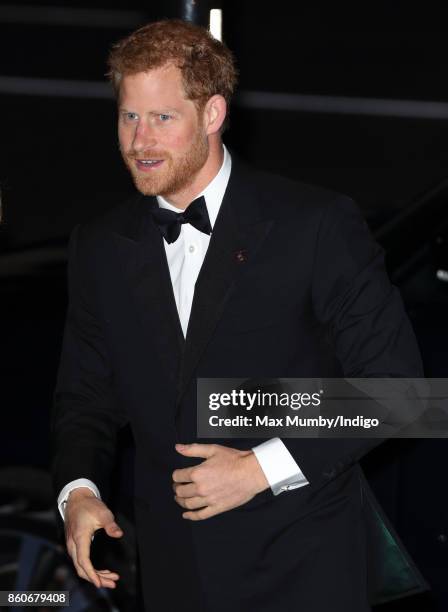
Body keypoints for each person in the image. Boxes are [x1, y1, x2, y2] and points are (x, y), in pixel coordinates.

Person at [52, 19, 426, 612]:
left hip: (302, 567)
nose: (140, 141)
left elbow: (401, 391)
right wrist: (79, 491)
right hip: (174, 573)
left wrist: (261, 467)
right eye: (129, 117)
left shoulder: (313, 225)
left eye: (163, 118)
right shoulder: (101, 245)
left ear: (212, 114)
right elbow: (85, 397)